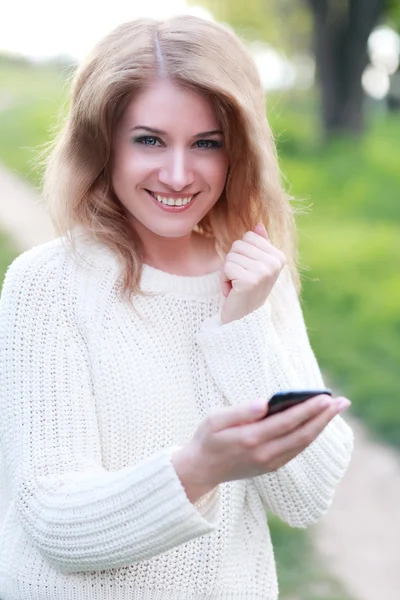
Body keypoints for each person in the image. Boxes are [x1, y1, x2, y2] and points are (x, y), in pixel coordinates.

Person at [0, 14, 353, 600]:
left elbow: (306, 498)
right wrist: (199, 467)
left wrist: (243, 325)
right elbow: (54, 520)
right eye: (149, 140)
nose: (178, 174)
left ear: (238, 150)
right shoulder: (48, 283)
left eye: (206, 144)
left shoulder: (257, 277)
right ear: (102, 140)